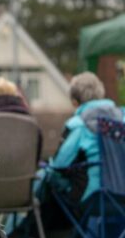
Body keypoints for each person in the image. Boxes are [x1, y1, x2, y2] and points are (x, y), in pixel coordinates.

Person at [44, 71, 122, 204]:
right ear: (100, 94)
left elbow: (59, 166)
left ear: (75, 102)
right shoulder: (121, 119)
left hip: (94, 198)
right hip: (122, 198)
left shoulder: (78, 124)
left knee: (47, 180)